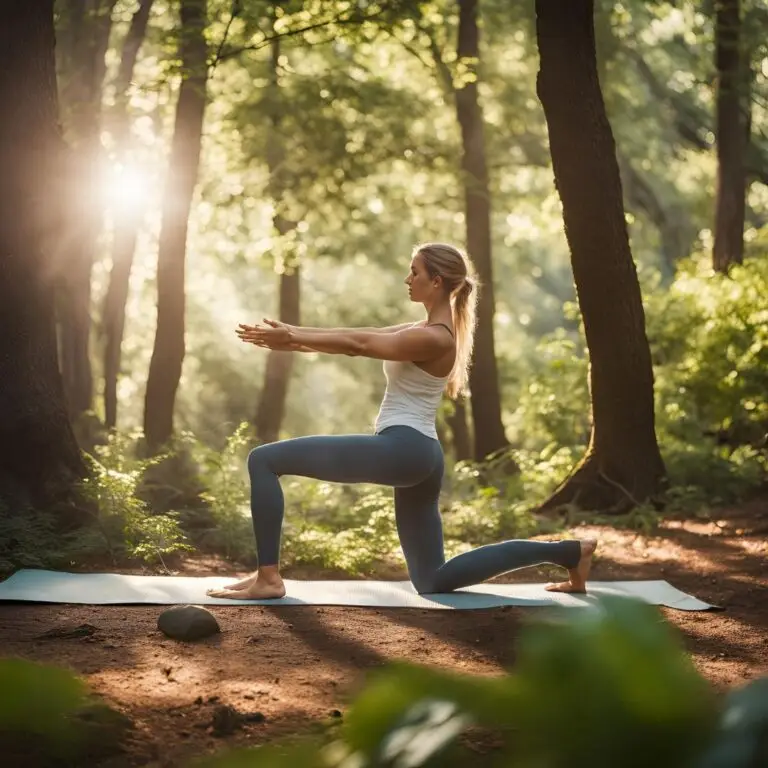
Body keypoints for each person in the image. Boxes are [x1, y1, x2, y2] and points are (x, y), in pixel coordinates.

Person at [207, 242, 596, 600]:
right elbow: (366, 337)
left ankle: (268, 578)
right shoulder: (424, 330)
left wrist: (292, 335)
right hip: (419, 455)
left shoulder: (435, 338)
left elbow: (358, 346)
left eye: (415, 272)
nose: (408, 279)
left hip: (404, 450)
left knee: (264, 460)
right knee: (432, 580)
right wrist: (291, 339)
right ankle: (569, 553)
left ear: (437, 281)